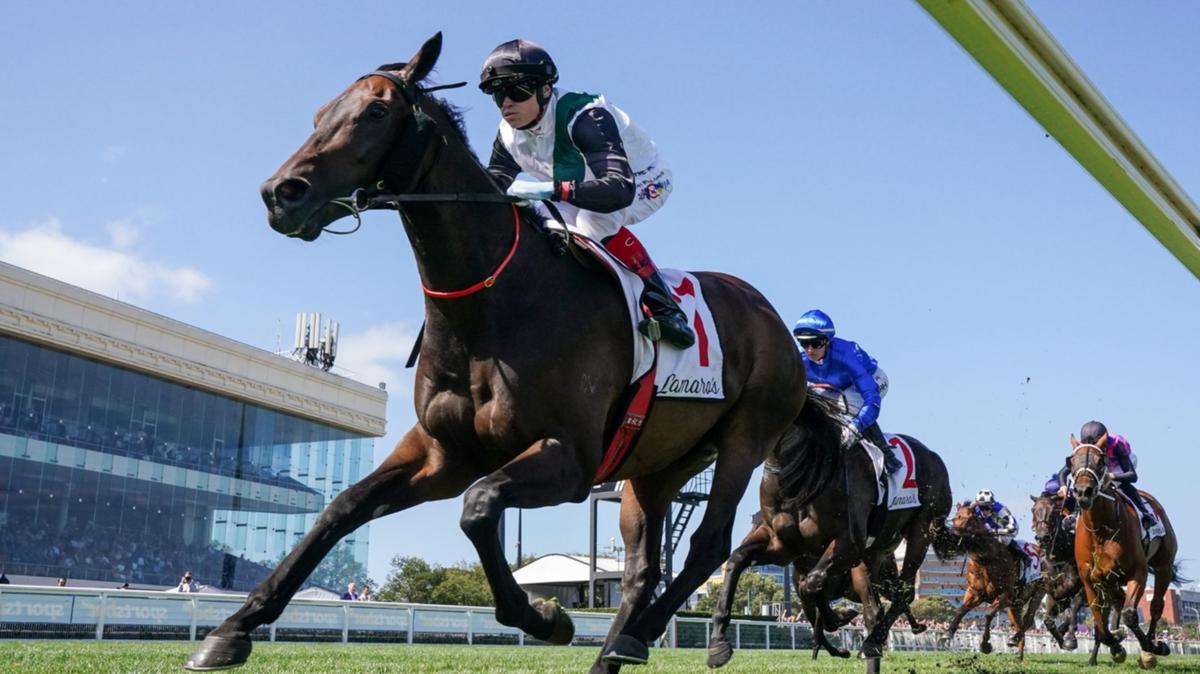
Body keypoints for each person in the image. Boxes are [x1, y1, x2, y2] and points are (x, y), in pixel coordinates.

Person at [479, 38, 694, 349]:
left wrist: (549, 189)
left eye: (517, 91)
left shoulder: (586, 116)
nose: (506, 104)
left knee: (592, 222)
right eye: (498, 94)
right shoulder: (507, 134)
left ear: (545, 90)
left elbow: (619, 190)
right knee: (533, 223)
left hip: (643, 180)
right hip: (583, 187)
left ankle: (664, 305)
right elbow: (493, 190)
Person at [792, 309, 899, 475]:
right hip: (839, 388)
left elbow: (872, 399)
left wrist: (855, 426)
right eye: (805, 343)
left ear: (827, 341)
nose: (810, 350)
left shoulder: (847, 357)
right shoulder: (802, 362)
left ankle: (887, 454)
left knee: (847, 404)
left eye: (816, 343)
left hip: (873, 379)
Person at [1057, 420, 1156, 534]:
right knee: (1084, 483)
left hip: (1119, 464)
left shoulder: (1116, 445)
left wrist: (1112, 476)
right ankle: (1075, 515)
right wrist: (1063, 486)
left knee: (1119, 485)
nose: (1093, 446)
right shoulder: (1084, 450)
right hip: (1099, 464)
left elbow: (1132, 476)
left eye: (1095, 443)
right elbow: (1063, 473)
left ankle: (1145, 514)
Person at [973, 489, 1027, 564]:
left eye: (987, 507)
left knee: (1004, 539)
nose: (984, 511)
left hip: (1007, 528)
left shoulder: (1000, 509)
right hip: (990, 530)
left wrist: (996, 531)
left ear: (992, 504)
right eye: (982, 507)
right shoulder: (976, 510)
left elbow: (1012, 527)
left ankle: (1023, 556)